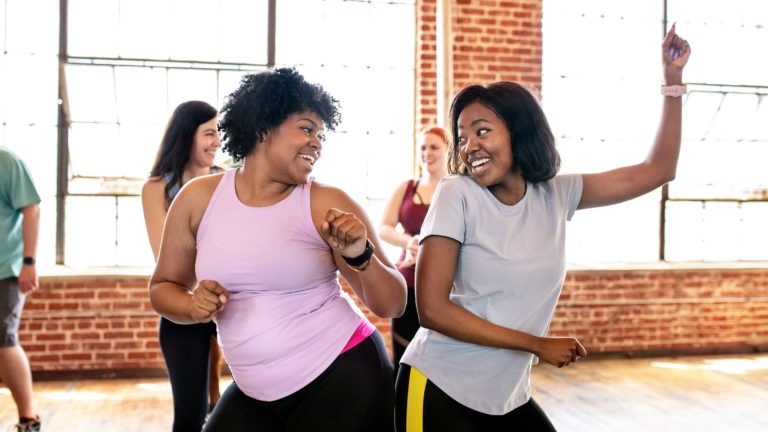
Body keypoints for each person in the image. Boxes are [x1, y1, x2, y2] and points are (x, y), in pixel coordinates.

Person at [395, 26, 691, 430]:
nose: (469, 146)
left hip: (506, 395)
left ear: (519, 132)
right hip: (438, 387)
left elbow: (658, 170)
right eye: (462, 137)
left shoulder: (556, 194)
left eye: (482, 131)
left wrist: (672, 83)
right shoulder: (457, 193)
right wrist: (537, 344)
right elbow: (431, 309)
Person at [148, 67, 407, 432]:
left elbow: (393, 303)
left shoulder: (325, 203)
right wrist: (192, 307)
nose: (316, 141)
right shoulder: (198, 200)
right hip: (255, 389)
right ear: (262, 128)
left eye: (320, 133)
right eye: (306, 128)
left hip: (342, 371)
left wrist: (360, 256)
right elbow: (162, 288)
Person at [141, 100, 225, 432]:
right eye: (208, 133)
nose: (217, 141)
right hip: (184, 306)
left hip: (230, 301)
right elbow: (166, 258)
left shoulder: (228, 179)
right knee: (191, 413)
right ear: (185, 135)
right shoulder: (157, 188)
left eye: (218, 133)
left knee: (220, 406)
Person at [379, 127, 449, 368]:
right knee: (404, 356)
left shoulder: (459, 189)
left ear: (447, 150)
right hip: (408, 282)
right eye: (422, 147)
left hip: (448, 286)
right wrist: (408, 242)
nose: (427, 153)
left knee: (440, 358)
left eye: (434, 147)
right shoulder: (407, 188)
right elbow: (384, 227)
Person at [0, 148, 42, 432]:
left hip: (6, 270)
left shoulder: (7, 162)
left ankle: (28, 419)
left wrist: (29, 262)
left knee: (4, 341)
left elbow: (31, 210)